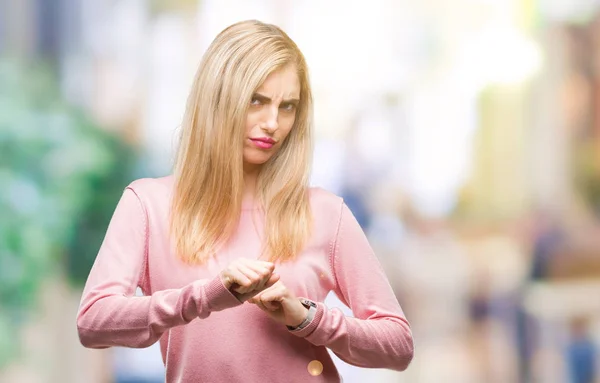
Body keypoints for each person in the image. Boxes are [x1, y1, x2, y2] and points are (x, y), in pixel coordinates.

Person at [76, 20, 414, 383]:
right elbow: (93, 323)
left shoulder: (326, 214)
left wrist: (306, 317)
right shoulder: (147, 205)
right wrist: (205, 297)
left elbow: (397, 346)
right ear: (219, 99)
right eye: (257, 100)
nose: (273, 122)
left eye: (287, 107)